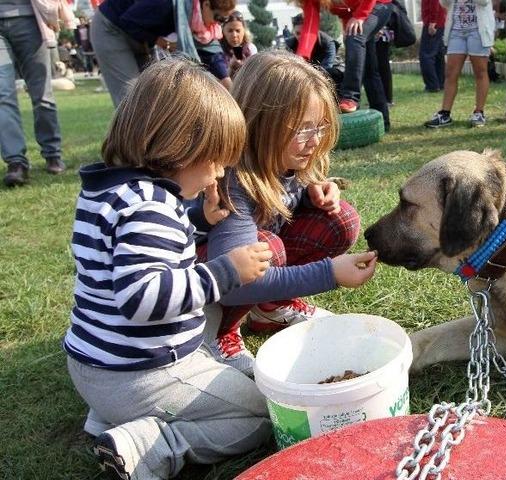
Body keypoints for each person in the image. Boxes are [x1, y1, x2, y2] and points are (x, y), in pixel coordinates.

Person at [64, 58, 274, 480]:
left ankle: (110, 418)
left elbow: (128, 249)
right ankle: (150, 444)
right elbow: (143, 298)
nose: (218, 173)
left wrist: (197, 220)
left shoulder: (112, 189)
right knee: (261, 415)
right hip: (141, 375)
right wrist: (226, 271)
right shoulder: (151, 207)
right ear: (179, 146)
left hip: (92, 367)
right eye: (215, 160)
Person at [202, 52, 378, 374]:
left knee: (342, 221)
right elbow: (237, 280)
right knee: (266, 250)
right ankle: (220, 332)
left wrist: (316, 193)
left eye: (321, 126)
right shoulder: (233, 179)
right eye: (302, 129)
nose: (315, 141)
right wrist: (330, 273)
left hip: (255, 262)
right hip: (217, 279)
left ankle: (270, 309)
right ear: (261, 124)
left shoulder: (290, 159)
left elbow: (289, 193)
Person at [90, 0, 236, 107]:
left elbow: (211, 53)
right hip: (111, 29)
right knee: (129, 99)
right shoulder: (165, 3)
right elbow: (128, 21)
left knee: (153, 97)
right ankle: (124, 147)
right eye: (219, 18)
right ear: (206, 5)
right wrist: (163, 43)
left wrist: (228, 83)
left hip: (141, 38)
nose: (218, 24)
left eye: (224, 21)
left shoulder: (196, 16)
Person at [1, 0, 75, 187]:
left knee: (42, 95)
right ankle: (16, 162)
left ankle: (52, 153)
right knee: (3, 95)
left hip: (31, 20)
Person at [294, 0, 393, 129]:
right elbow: (310, 24)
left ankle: (350, 97)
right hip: (353, 15)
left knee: (355, 36)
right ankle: (383, 121)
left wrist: (360, 16)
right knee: (368, 68)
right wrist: (301, 58)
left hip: (378, 5)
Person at [423, 0, 496, 128]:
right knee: (451, 73)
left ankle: (479, 112)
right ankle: (445, 113)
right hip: (456, 30)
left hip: (478, 30)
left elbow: (485, 2)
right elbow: (444, 3)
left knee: (480, 72)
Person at [286, 13, 343, 84]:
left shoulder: (327, 42)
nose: (301, 37)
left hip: (329, 72)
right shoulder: (291, 44)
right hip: (307, 74)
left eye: (305, 33)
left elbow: (327, 67)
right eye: (298, 33)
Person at [419, 0, 446, 93]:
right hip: (439, 21)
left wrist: (432, 21)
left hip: (433, 22)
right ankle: (440, 83)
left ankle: (432, 85)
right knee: (438, 54)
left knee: (426, 55)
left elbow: (435, 2)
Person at [220, 10, 257, 77]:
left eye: (237, 31)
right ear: (223, 31)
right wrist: (231, 67)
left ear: (244, 31)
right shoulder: (218, 51)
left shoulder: (250, 48)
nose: (234, 35)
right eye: (230, 31)